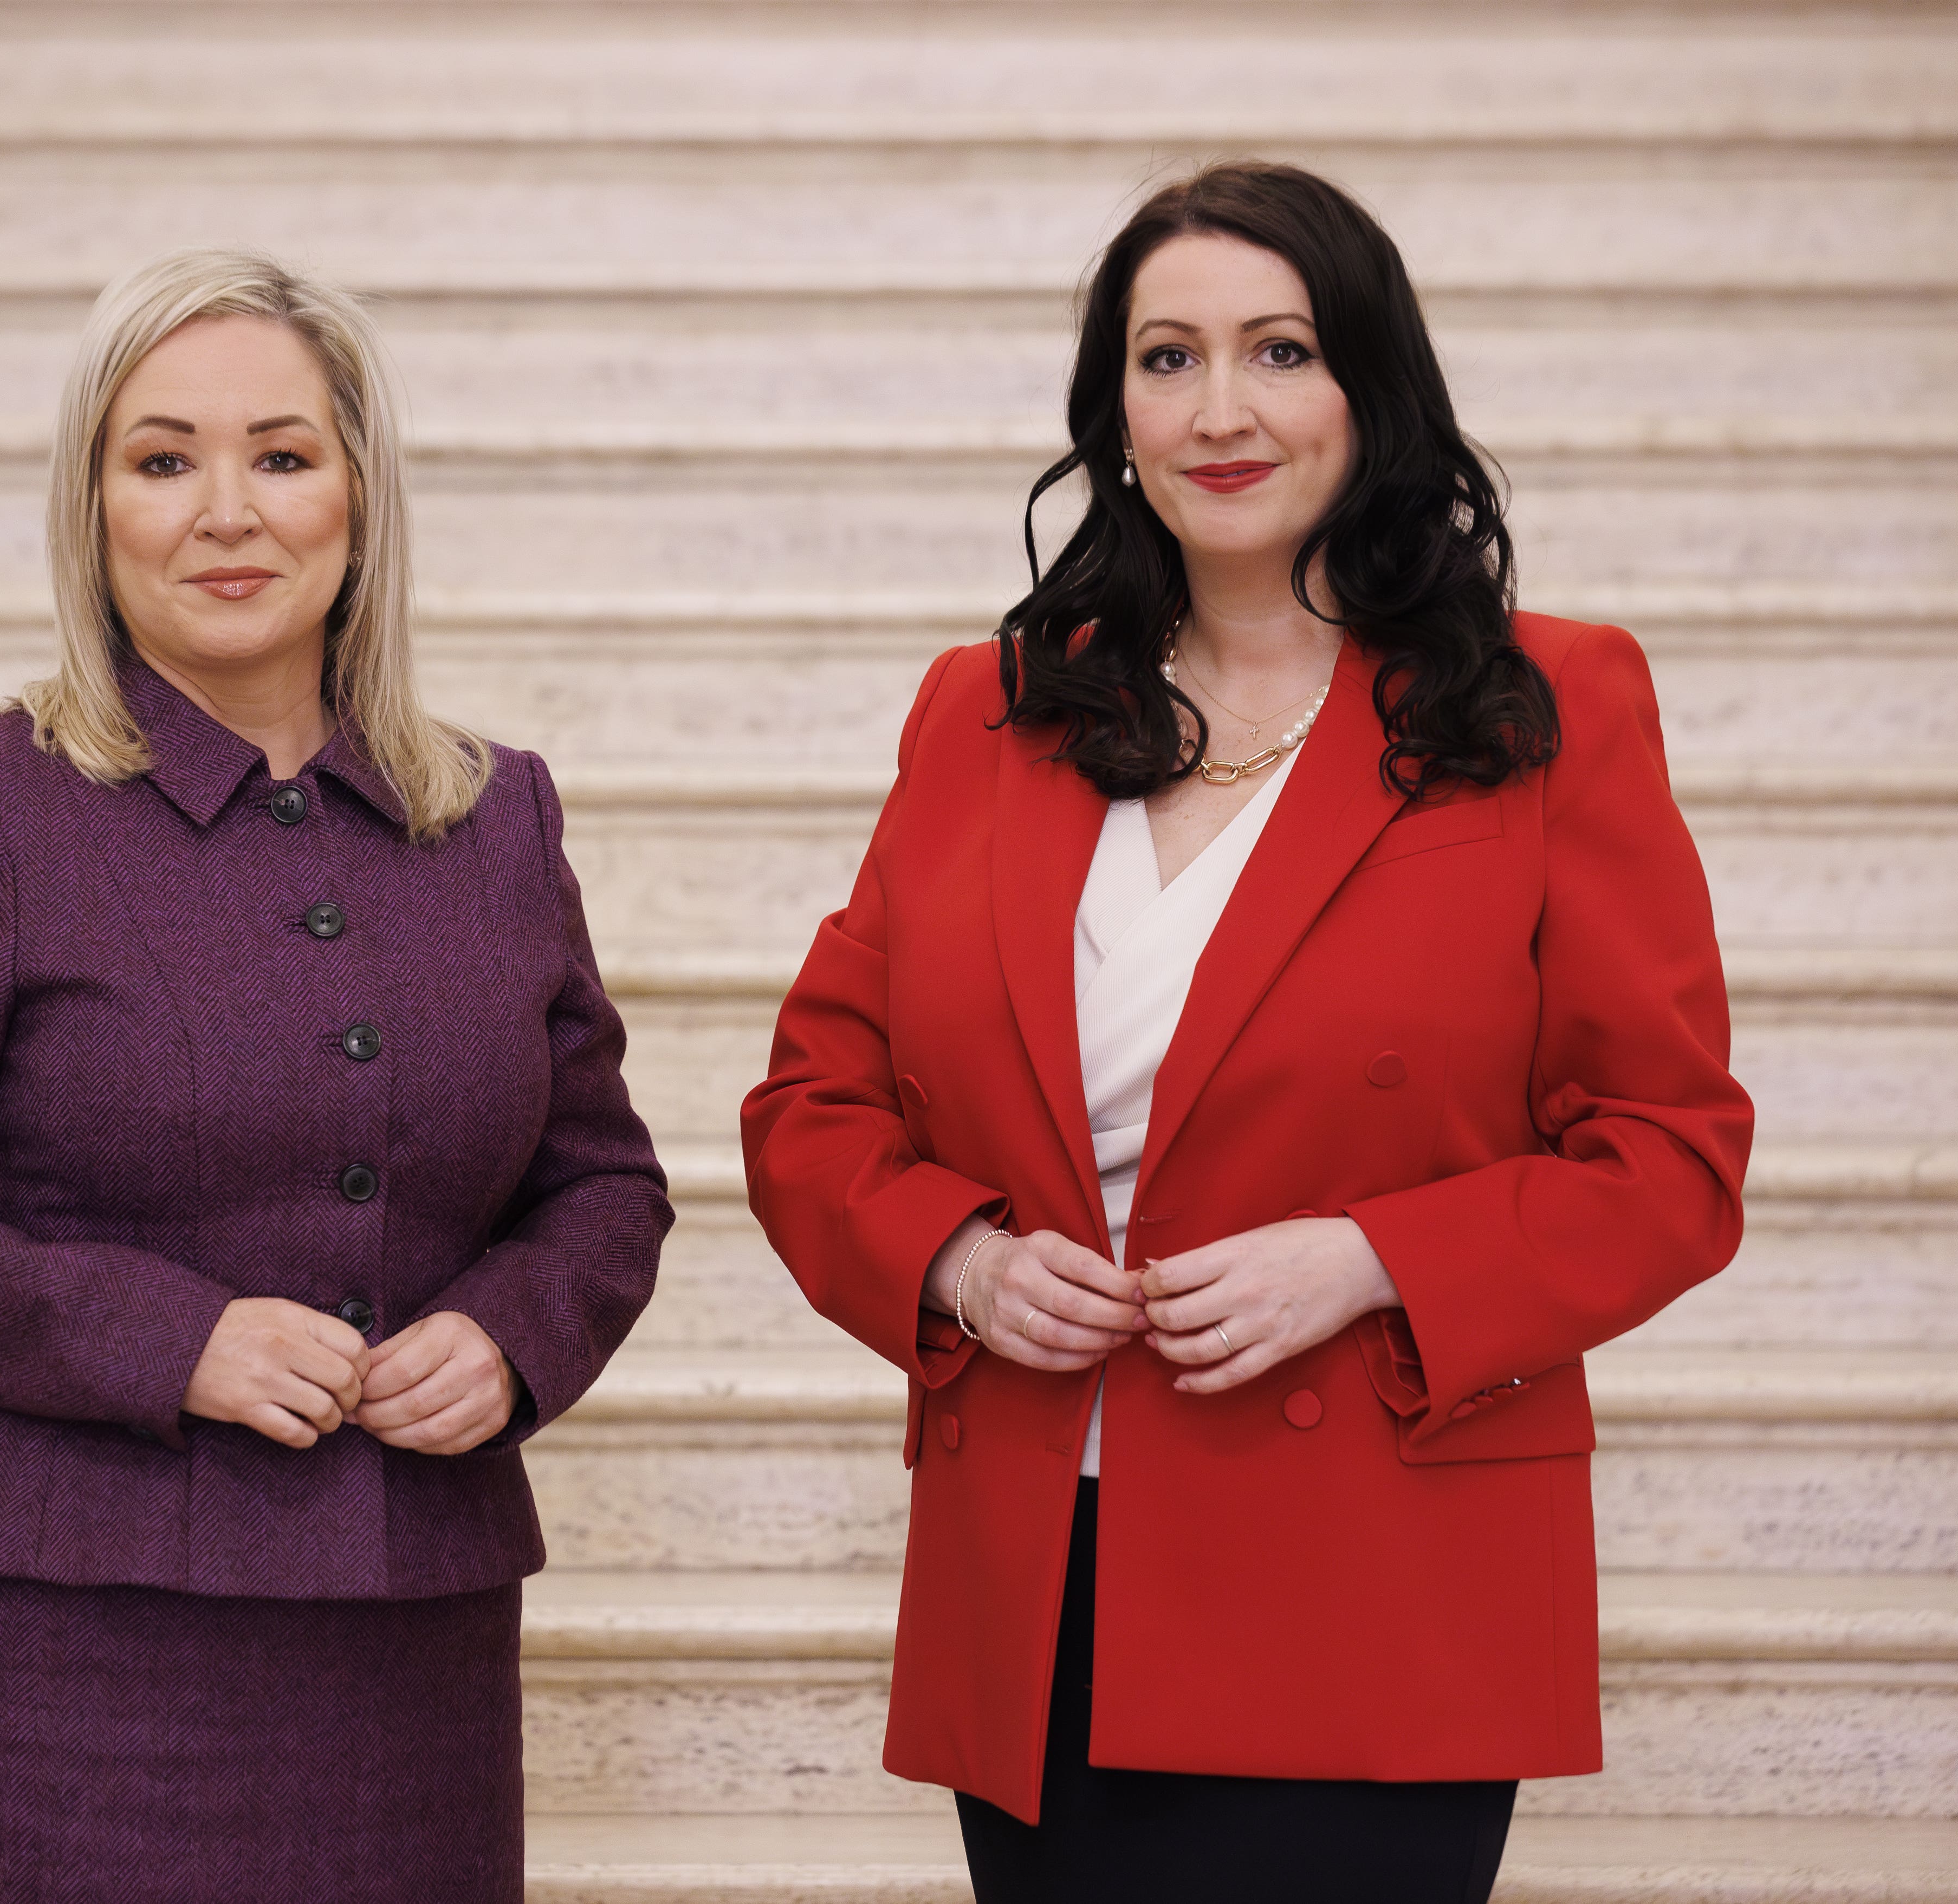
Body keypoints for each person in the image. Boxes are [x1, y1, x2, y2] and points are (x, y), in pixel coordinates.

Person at [741, 162, 1753, 1902]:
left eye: (1281, 351)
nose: (1220, 410)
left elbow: (1670, 1157)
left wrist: (1370, 1256)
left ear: (1373, 386)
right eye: (1167, 358)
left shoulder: (1545, 703)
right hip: (1042, 1568)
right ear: (1111, 406)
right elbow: (810, 1107)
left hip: (1377, 1570)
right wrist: (962, 1264)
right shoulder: (990, 715)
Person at [0, 246, 669, 1903]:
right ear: (92, 506)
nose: (227, 510)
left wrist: (514, 1336)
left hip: (412, 1632)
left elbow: (603, 1186)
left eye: (284, 453)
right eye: (164, 458)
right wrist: (169, 1336)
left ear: (360, 494)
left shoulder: (496, 813)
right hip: (60, 1637)